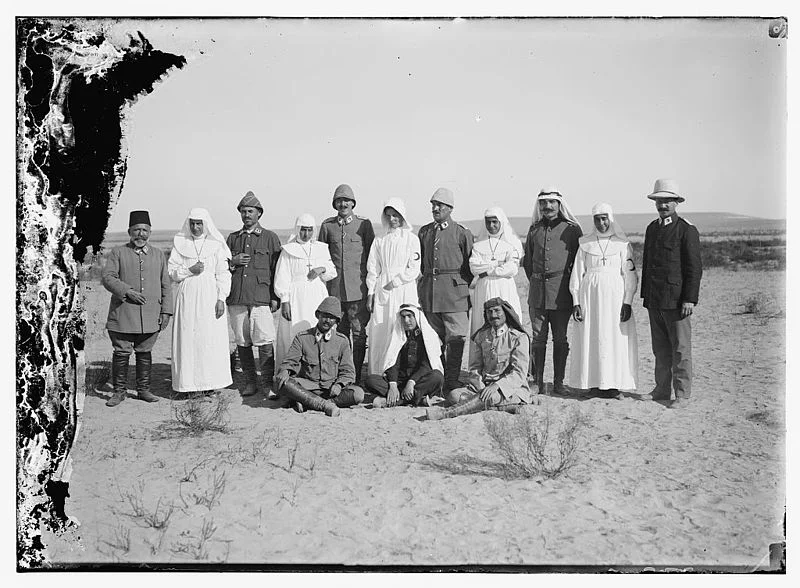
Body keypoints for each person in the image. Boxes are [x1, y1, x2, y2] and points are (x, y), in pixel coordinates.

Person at [640, 179, 702, 409]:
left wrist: (689, 298)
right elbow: (648, 264)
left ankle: (682, 394)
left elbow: (693, 268)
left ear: (677, 202)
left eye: (667, 200)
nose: (663, 204)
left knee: (680, 348)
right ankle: (661, 389)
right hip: (655, 299)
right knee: (660, 348)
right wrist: (646, 296)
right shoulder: (652, 228)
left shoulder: (686, 229)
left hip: (677, 300)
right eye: (659, 200)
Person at [101, 210, 172, 407]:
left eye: (145, 230)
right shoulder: (118, 252)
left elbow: (166, 284)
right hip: (123, 313)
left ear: (150, 232)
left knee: (144, 352)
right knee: (122, 353)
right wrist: (127, 291)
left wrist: (166, 311)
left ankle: (143, 390)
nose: (141, 234)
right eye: (137, 230)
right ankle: (118, 392)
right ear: (129, 231)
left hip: (150, 315)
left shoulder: (158, 255)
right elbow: (107, 278)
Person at [568, 203, 638, 398]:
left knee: (614, 338)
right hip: (590, 297)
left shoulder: (622, 244)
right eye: (597, 219)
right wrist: (576, 301)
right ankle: (594, 384)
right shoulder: (585, 243)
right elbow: (577, 274)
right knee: (593, 337)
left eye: (604, 218)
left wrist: (628, 302)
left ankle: (614, 385)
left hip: (616, 299)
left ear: (611, 218)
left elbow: (630, 275)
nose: (601, 223)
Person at [426, 298, 531, 420]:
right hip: (483, 387)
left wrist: (496, 386)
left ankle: (445, 414)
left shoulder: (518, 338)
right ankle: (503, 407)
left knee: (489, 397)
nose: (493, 315)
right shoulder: (481, 336)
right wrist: (480, 386)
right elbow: (475, 367)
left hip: (510, 389)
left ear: (505, 313)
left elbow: (519, 372)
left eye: (497, 311)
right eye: (489, 312)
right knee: (454, 395)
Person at [522, 186, 583, 396]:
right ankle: (538, 381)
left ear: (559, 204)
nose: (547, 206)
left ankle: (558, 382)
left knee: (560, 338)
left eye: (551, 202)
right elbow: (528, 263)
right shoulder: (534, 230)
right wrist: (539, 281)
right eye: (543, 203)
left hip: (561, 293)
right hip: (538, 293)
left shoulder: (572, 230)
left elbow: (579, 263)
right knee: (538, 338)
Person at [169, 208, 233, 396]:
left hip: (210, 298)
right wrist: (189, 270)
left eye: (199, 224)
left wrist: (221, 298)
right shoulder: (181, 243)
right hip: (187, 298)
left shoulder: (216, 245)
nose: (196, 228)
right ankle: (189, 386)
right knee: (188, 339)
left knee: (209, 340)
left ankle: (209, 385)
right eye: (192, 224)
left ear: (206, 225)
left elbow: (223, 273)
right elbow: (172, 272)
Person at [417, 187, 474, 392]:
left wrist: (458, 284)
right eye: (433, 204)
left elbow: (470, 266)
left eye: (439, 205)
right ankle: (438, 381)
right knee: (434, 339)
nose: (435, 208)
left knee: (456, 337)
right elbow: (422, 263)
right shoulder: (425, 232)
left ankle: (452, 380)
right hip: (431, 294)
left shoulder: (461, 232)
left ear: (450, 208)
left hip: (454, 295)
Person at [226, 191, 283, 397]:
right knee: (243, 341)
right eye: (243, 211)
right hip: (238, 298)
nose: (246, 215)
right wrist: (232, 262)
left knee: (265, 340)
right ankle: (251, 383)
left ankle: (267, 384)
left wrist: (275, 297)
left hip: (261, 298)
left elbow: (277, 269)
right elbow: (221, 267)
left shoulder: (270, 238)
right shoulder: (232, 238)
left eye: (250, 211)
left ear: (259, 213)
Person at [318, 184, 375, 384]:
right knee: (339, 335)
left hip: (358, 289)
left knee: (359, 334)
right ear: (335, 204)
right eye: (339, 201)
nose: (343, 204)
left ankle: (357, 375)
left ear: (353, 203)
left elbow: (372, 256)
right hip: (334, 291)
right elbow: (322, 255)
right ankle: (342, 375)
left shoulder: (364, 225)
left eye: (346, 201)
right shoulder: (327, 226)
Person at [274, 296, 365, 416]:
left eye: (332, 318)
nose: (327, 320)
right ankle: (324, 405)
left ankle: (308, 402)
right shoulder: (302, 338)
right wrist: (285, 371)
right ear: (318, 315)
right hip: (307, 386)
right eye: (325, 315)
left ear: (337, 321)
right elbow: (290, 361)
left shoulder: (342, 341)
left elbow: (348, 372)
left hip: (331, 389)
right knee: (281, 382)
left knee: (358, 394)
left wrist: (338, 385)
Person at [364, 198, 421, 376]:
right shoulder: (379, 239)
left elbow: (414, 269)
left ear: (402, 216)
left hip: (404, 288)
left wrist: (395, 282)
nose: (392, 219)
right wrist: (371, 292)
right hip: (383, 289)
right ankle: (380, 372)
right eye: (388, 215)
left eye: (396, 215)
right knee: (382, 327)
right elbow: (373, 267)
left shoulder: (411, 239)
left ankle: (404, 372)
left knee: (404, 326)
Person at [274, 213, 337, 368]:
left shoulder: (321, 249)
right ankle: (291, 372)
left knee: (317, 329)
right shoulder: (288, 250)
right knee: (294, 332)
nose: (306, 234)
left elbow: (331, 272)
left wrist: (321, 268)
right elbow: (282, 277)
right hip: (296, 297)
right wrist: (285, 300)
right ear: (297, 229)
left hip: (317, 295)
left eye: (309, 230)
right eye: (303, 230)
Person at [364, 303, 444, 407]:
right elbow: (392, 362)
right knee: (371, 380)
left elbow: (427, 365)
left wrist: (411, 382)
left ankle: (398, 400)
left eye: (410, 316)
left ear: (417, 317)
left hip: (418, 381)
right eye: (403, 317)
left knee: (437, 377)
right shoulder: (397, 335)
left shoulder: (429, 337)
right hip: (399, 382)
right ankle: (417, 399)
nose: (406, 320)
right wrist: (393, 385)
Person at [468, 206, 524, 336]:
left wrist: (487, 269)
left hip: (505, 288)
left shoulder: (512, 243)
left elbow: (512, 269)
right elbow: (474, 267)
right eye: (488, 222)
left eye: (495, 222)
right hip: (484, 289)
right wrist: (499, 265)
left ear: (501, 222)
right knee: (482, 323)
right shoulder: (478, 245)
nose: (491, 225)